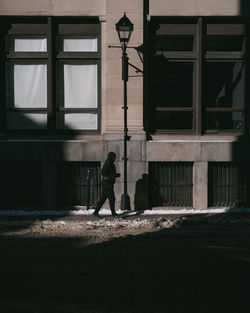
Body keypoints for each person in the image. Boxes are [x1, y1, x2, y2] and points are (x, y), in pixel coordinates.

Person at [92, 152, 120, 218]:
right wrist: (114, 175)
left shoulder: (109, 163)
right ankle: (113, 214)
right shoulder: (108, 163)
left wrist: (114, 176)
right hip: (107, 185)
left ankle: (95, 212)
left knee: (102, 199)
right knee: (112, 199)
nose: (115, 158)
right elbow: (103, 172)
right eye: (114, 157)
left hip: (107, 184)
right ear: (111, 157)